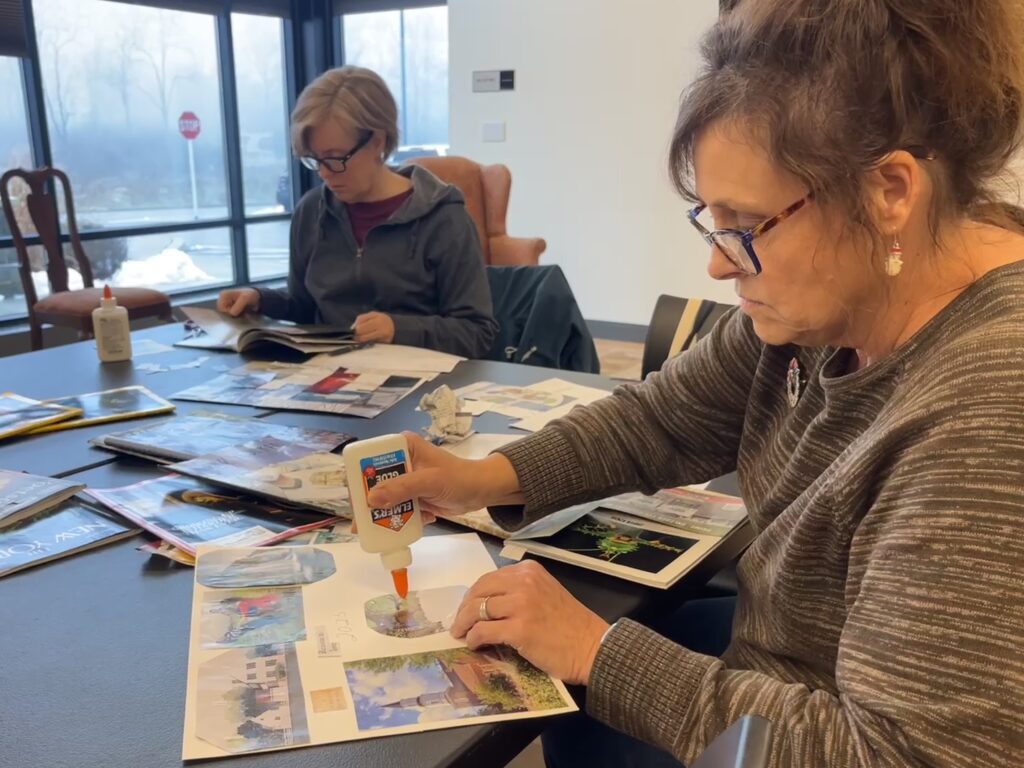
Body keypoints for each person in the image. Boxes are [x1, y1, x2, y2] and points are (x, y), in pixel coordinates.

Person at [365, 1, 1024, 765]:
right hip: (778, 667)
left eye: (744, 223)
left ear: (890, 193)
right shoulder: (831, 304)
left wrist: (594, 651)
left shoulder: (987, 407)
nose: (717, 264)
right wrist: (480, 478)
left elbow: (902, 753)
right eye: (710, 221)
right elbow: (659, 421)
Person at [217, 66, 498, 358]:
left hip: (419, 386)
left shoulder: (444, 220)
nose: (325, 174)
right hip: (328, 380)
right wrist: (260, 300)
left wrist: (398, 329)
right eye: (315, 160)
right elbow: (304, 307)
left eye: (337, 158)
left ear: (377, 141)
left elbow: (477, 333)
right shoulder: (312, 211)